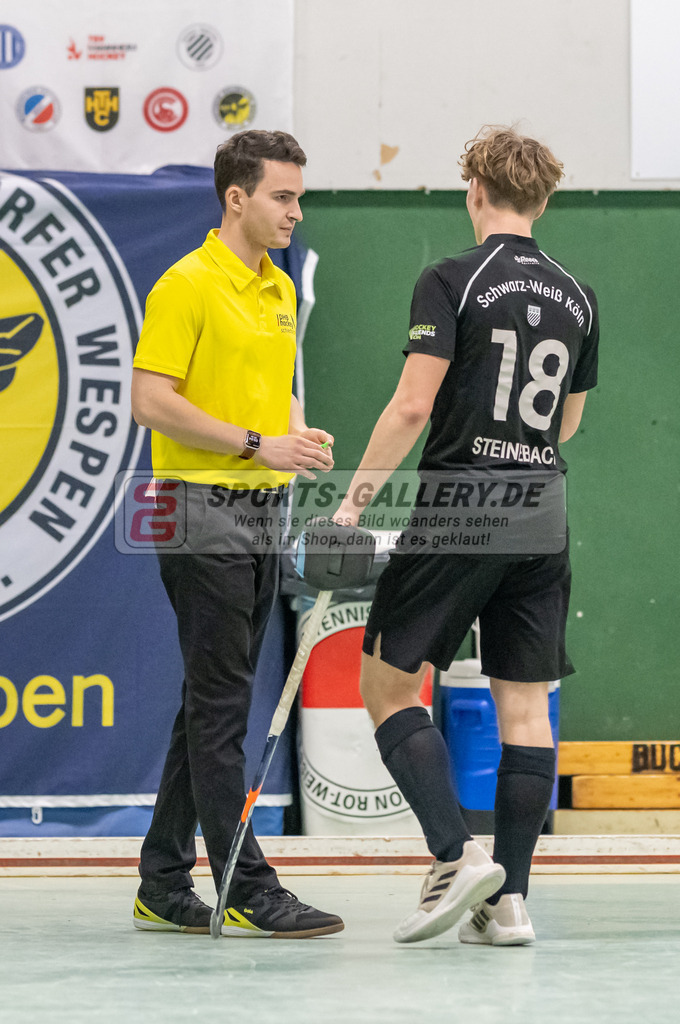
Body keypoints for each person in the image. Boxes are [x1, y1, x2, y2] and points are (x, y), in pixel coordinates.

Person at [333, 125, 599, 945]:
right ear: (544, 200)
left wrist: (351, 507)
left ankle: (454, 854)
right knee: (523, 710)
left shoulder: (451, 277)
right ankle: (506, 903)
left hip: (461, 504)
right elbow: (568, 422)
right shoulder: (578, 294)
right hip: (542, 510)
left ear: (474, 191)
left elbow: (413, 405)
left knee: (385, 685)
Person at [130, 130, 343, 938]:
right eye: (283, 197)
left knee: (206, 706)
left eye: (298, 196)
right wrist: (258, 446)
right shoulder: (185, 285)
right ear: (236, 198)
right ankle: (246, 885)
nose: (295, 211)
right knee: (221, 711)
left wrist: (294, 437)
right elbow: (151, 400)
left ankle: (160, 878)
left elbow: (275, 390)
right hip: (199, 511)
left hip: (263, 510)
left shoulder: (279, 288)